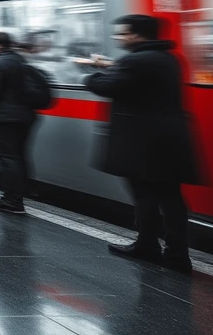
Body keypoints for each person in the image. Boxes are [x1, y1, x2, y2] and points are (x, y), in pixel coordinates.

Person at [83, 15, 198, 273]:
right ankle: (178, 253)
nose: (119, 37)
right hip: (169, 139)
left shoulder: (135, 60)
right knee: (170, 196)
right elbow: (138, 82)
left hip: (142, 141)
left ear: (138, 35)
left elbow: (108, 86)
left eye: (123, 33)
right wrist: (114, 67)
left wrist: (92, 74)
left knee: (144, 195)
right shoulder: (169, 58)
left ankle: (147, 245)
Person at [0, 32, 34, 214]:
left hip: (4, 118)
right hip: (25, 116)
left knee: (7, 158)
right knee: (18, 156)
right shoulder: (21, 60)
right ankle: (21, 194)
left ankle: (12, 200)